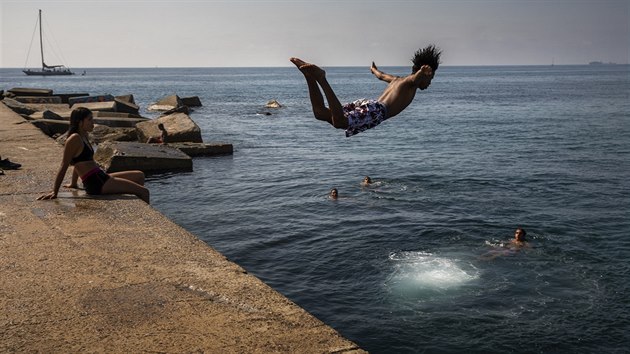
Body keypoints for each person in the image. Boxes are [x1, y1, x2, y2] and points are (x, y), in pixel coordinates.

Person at [290, 45, 441, 137]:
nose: (430, 83)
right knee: (340, 122)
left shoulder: (397, 80)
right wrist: (422, 71)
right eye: (431, 78)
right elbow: (415, 79)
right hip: (378, 111)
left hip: (370, 104)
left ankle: (308, 76)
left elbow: (381, 76)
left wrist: (373, 70)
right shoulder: (411, 83)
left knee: (321, 113)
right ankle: (322, 79)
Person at [38, 107, 150, 203]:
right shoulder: (74, 139)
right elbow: (64, 164)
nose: (93, 123)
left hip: (100, 176)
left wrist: (73, 183)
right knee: (144, 192)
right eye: (89, 120)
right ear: (80, 122)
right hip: (96, 183)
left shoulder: (84, 135)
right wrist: (55, 191)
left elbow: (78, 160)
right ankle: (148, 226)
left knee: (139, 175)